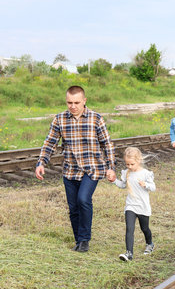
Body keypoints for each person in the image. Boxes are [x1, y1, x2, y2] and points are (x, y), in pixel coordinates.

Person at [35, 85, 116, 253]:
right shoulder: (60, 119)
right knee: (73, 208)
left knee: (83, 200)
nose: (73, 106)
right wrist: (41, 163)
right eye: (69, 102)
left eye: (76, 102)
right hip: (70, 170)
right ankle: (78, 240)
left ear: (84, 101)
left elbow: (107, 144)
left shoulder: (96, 118)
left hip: (92, 169)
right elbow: (50, 142)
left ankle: (84, 240)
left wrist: (111, 167)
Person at [114, 147, 156, 261]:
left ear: (139, 161)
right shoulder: (126, 173)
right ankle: (129, 253)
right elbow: (123, 185)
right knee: (129, 228)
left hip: (143, 206)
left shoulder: (146, 174)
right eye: (127, 164)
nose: (129, 167)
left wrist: (145, 185)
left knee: (145, 228)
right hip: (131, 205)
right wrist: (114, 180)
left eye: (132, 164)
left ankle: (150, 244)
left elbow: (153, 187)